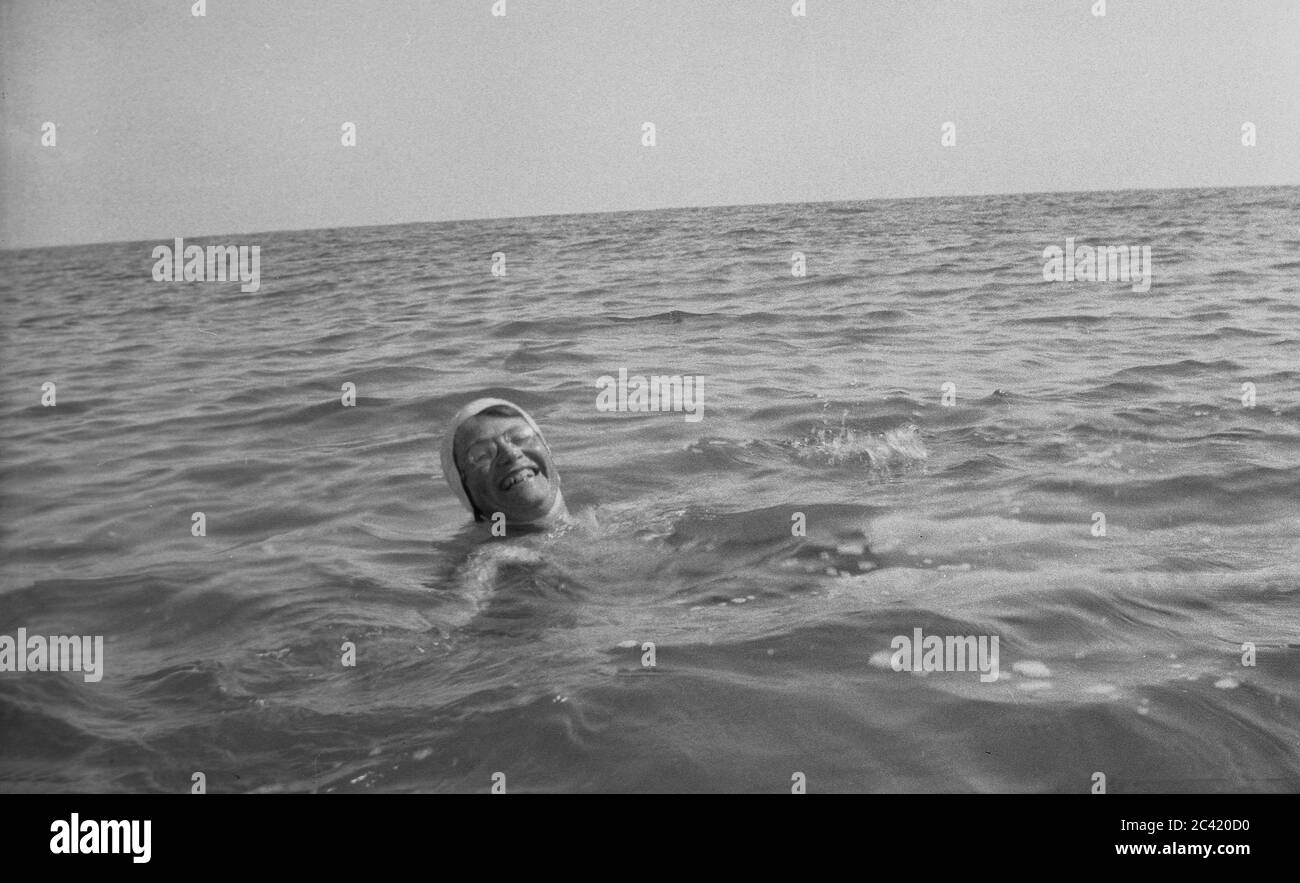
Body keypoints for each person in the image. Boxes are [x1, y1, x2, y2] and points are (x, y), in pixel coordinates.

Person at [440, 398, 570, 532]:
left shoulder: (589, 518)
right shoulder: (497, 553)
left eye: (520, 438)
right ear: (464, 490)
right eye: (482, 455)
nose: (511, 454)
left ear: (548, 450)